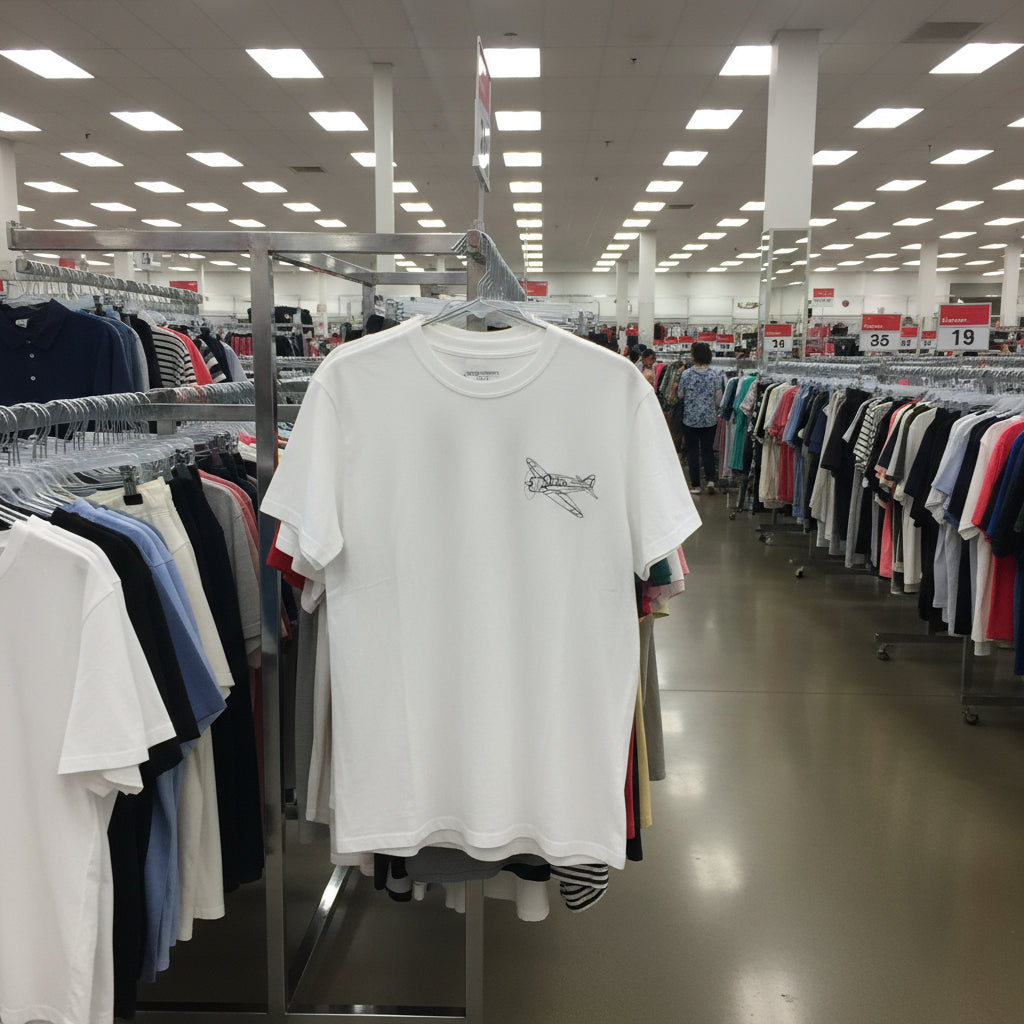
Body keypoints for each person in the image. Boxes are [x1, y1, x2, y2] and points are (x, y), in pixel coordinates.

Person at [676, 341, 724, 495]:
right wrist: (711, 409)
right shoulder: (715, 374)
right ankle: (710, 480)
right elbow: (718, 398)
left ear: (693, 356)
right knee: (707, 450)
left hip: (690, 419)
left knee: (692, 452)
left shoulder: (686, 374)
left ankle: (696, 485)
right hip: (709, 419)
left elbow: (680, 394)